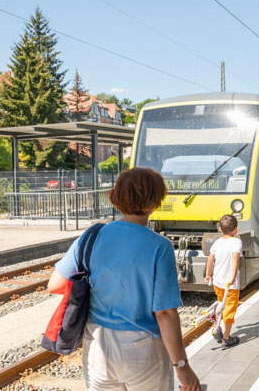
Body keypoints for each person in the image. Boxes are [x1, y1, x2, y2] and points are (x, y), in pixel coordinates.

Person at [47, 168, 200, 391]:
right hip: (143, 351)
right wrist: (182, 366)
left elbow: (55, 285)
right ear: (155, 203)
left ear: (117, 199)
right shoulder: (159, 246)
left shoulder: (92, 235)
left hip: (97, 346)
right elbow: (165, 313)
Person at [204, 214, 242, 348]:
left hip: (217, 282)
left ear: (219, 228)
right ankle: (226, 339)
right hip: (229, 285)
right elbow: (235, 258)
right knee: (229, 310)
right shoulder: (236, 242)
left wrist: (208, 274)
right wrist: (232, 278)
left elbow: (210, 259)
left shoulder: (217, 242)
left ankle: (218, 326)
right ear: (236, 229)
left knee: (221, 305)